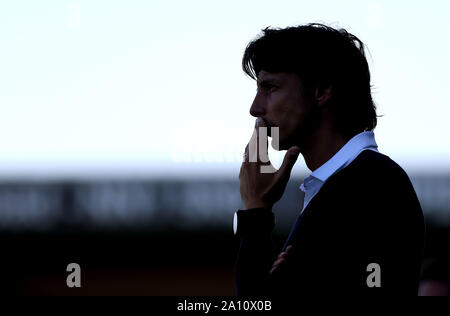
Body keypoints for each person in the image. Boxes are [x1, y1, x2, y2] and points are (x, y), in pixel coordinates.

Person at [233, 23, 426, 297]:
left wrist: (255, 213)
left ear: (322, 91)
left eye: (270, 87)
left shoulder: (373, 185)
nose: (256, 108)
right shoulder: (344, 185)